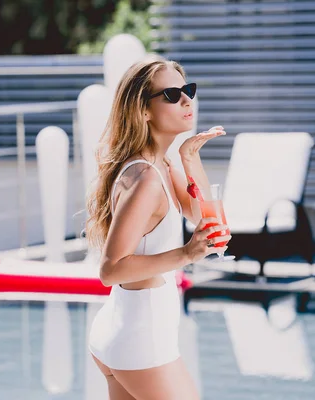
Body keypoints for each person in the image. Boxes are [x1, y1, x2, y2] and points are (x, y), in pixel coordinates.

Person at [85, 58, 231, 400]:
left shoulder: (160, 164)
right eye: (171, 94)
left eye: (188, 91)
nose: (186, 100)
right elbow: (110, 270)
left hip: (129, 332)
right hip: (140, 340)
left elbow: (210, 222)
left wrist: (189, 157)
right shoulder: (147, 178)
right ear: (143, 111)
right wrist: (185, 254)